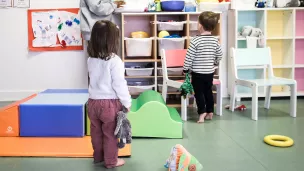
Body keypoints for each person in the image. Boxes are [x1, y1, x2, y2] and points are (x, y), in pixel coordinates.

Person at [87, 20, 131, 168]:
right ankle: (111, 161)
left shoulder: (90, 59)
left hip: (93, 103)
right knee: (110, 134)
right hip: (109, 105)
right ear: (113, 40)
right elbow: (119, 84)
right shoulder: (115, 61)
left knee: (96, 133)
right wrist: (127, 102)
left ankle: (98, 157)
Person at [183, 11, 223, 124]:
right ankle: (210, 112)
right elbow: (219, 55)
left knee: (199, 93)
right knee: (208, 91)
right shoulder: (215, 40)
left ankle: (202, 113)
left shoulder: (196, 40)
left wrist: (185, 69)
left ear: (200, 25)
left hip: (197, 74)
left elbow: (189, 57)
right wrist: (214, 63)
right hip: (209, 73)